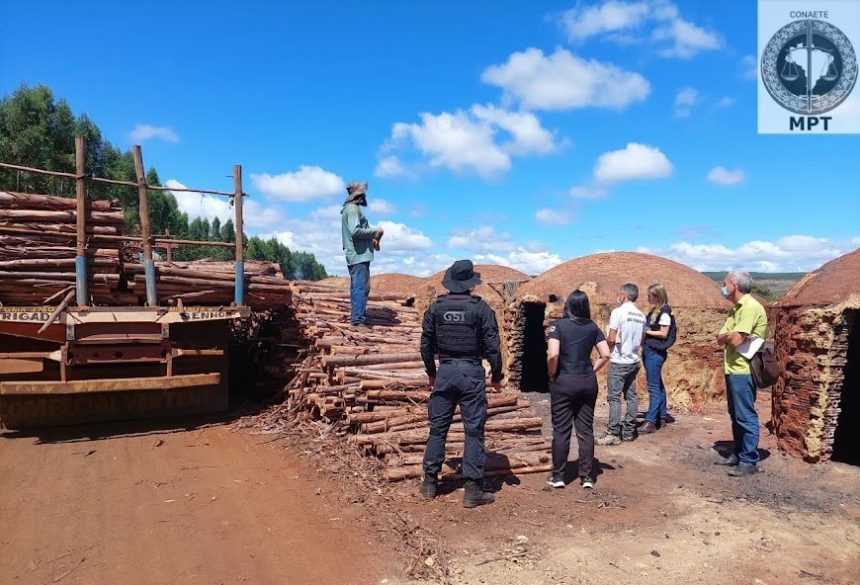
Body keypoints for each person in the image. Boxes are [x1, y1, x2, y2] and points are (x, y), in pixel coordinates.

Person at [418, 259, 503, 508]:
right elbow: (493, 348)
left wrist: (431, 373)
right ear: (470, 284)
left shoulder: (435, 308)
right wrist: (496, 377)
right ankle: (472, 490)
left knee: (438, 429)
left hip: (445, 372)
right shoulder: (481, 309)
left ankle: (430, 483)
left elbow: (425, 345)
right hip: (471, 374)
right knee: (474, 431)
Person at [546, 290, 611, 489]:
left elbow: (553, 355)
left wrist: (552, 374)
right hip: (587, 381)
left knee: (561, 430)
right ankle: (587, 477)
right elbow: (606, 354)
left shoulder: (557, 326)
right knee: (585, 430)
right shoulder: (593, 327)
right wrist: (591, 370)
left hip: (564, 380)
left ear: (568, 306)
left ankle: (558, 476)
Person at [716, 271, 767, 477]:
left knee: (745, 415)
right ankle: (738, 453)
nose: (722, 286)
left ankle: (749, 460)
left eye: (724, 283)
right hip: (732, 368)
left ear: (734, 285)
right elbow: (720, 338)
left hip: (744, 370)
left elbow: (736, 341)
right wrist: (730, 336)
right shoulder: (735, 310)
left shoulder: (750, 307)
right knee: (735, 414)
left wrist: (730, 336)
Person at [597, 283, 646, 446]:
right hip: (633, 360)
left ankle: (613, 433)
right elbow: (642, 340)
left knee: (614, 398)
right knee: (631, 396)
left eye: (618, 294)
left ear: (624, 296)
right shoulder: (641, 315)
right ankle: (629, 432)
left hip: (619, 361)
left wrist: (606, 350)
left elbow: (611, 337)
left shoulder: (618, 312)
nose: (617, 297)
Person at [340, 181, 384, 330]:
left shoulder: (350, 209)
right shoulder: (352, 209)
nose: (364, 196)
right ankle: (358, 321)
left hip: (357, 254)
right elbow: (355, 231)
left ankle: (357, 319)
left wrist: (371, 240)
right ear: (358, 195)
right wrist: (375, 232)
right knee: (360, 287)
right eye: (362, 193)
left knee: (358, 287)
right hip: (359, 256)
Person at [639, 283, 677, 434]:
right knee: (658, 385)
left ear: (657, 296)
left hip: (654, 352)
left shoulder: (664, 313)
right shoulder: (657, 311)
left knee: (653, 387)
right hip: (651, 351)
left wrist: (646, 331)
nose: (647, 298)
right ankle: (660, 416)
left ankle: (650, 422)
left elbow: (663, 333)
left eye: (650, 295)